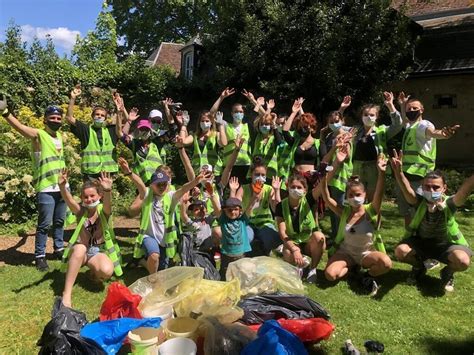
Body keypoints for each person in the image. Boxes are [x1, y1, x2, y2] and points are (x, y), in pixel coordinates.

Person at [391, 150, 472, 292]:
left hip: (445, 246)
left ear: (444, 188)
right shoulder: (420, 202)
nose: (431, 190)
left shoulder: (450, 203)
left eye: (436, 187)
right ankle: (418, 267)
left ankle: (447, 272)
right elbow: (407, 190)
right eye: (427, 187)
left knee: (463, 261)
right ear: (422, 188)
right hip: (421, 244)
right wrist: (399, 172)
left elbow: (464, 191)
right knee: (400, 251)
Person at [1, 96, 66, 270]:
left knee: (60, 221)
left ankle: (59, 249)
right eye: (52, 118)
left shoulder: (60, 136)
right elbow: (21, 128)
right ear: (45, 119)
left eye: (59, 118)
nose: (56, 120)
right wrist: (5, 112)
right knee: (45, 224)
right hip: (46, 186)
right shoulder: (39, 135)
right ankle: (40, 256)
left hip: (61, 187)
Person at [120, 157, 211, 274]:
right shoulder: (147, 193)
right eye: (158, 184)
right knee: (154, 256)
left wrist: (195, 182)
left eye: (164, 183)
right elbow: (140, 184)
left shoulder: (171, 196)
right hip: (149, 236)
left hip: (165, 239)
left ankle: (142, 261)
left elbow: (184, 188)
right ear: (152, 185)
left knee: (163, 270)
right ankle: (153, 279)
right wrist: (129, 173)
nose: (162, 187)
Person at [322, 152, 392, 296]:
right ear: (346, 197)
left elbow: (379, 192)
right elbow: (327, 197)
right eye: (351, 195)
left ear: (365, 195)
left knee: (386, 263)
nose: (355, 198)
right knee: (330, 275)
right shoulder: (344, 212)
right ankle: (352, 269)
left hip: (366, 253)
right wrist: (324, 176)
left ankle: (368, 276)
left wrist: (381, 173)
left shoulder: (371, 210)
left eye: (358, 195)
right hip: (346, 252)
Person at [58, 171, 122, 307]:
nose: (89, 199)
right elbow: (69, 201)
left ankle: (92, 273)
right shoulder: (81, 211)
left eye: (92, 195)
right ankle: (67, 293)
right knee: (80, 248)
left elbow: (107, 205)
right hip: (80, 251)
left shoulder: (103, 211)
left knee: (106, 271)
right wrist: (63, 187)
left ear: (100, 195)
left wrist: (108, 190)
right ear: (82, 198)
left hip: (96, 252)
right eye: (85, 197)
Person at [396, 93, 460, 226]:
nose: (412, 111)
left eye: (415, 108)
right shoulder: (410, 127)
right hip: (406, 175)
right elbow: (405, 120)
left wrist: (444, 134)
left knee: (419, 212)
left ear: (422, 110)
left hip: (419, 177)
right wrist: (402, 105)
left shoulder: (422, 125)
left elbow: (433, 132)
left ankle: (424, 239)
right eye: (410, 109)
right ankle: (410, 240)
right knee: (407, 212)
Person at [274, 173, 326, 283]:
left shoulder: (308, 200)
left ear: (305, 190)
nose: (295, 190)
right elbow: (282, 233)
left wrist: (335, 165)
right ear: (288, 188)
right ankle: (298, 267)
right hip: (292, 241)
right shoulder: (281, 206)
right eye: (292, 187)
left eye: (299, 187)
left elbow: (322, 185)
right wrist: (294, 249)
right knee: (288, 253)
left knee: (320, 237)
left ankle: (312, 269)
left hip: (308, 241)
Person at [351, 92, 403, 201]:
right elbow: (338, 128)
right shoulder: (355, 131)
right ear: (361, 117)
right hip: (357, 168)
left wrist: (390, 105)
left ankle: (375, 219)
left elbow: (398, 125)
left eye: (371, 115)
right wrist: (341, 109)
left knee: (374, 201)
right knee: (356, 200)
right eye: (365, 114)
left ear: (377, 116)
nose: (368, 117)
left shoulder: (381, 131)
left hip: (374, 168)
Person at [66, 86, 120, 180]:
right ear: (92, 116)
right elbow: (70, 118)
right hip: (91, 174)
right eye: (97, 114)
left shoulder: (110, 131)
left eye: (102, 115)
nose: (99, 117)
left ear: (105, 118)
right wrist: (73, 98)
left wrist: (120, 111)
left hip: (107, 174)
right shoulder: (86, 130)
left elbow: (123, 126)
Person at [231, 156, 282, 256]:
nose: (260, 177)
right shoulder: (244, 189)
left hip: (265, 223)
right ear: (251, 174)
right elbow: (235, 211)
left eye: (263, 175)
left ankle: (266, 251)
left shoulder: (268, 189)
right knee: (245, 238)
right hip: (248, 223)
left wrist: (276, 191)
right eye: (257, 174)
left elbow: (277, 209)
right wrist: (253, 197)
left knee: (269, 239)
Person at [210, 88, 253, 182]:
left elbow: (265, 117)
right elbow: (211, 114)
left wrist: (252, 100)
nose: (238, 113)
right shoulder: (226, 125)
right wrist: (221, 98)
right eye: (236, 111)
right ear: (232, 113)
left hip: (245, 166)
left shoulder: (248, 126)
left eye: (241, 112)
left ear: (244, 114)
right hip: (229, 166)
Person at [212, 196, 255, 280]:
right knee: (225, 275)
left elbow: (250, 207)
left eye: (235, 209)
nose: (232, 212)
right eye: (229, 210)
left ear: (240, 210)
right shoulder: (223, 220)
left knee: (240, 274)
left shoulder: (243, 220)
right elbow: (217, 208)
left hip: (240, 255)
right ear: (224, 211)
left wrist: (255, 196)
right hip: (226, 255)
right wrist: (212, 195)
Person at [178, 109, 227, 177]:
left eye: (207, 121)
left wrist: (221, 125)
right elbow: (182, 142)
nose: (204, 123)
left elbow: (224, 143)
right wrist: (184, 125)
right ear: (199, 123)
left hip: (214, 172)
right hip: (198, 172)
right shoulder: (195, 135)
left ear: (211, 122)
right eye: (202, 121)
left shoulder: (216, 134)